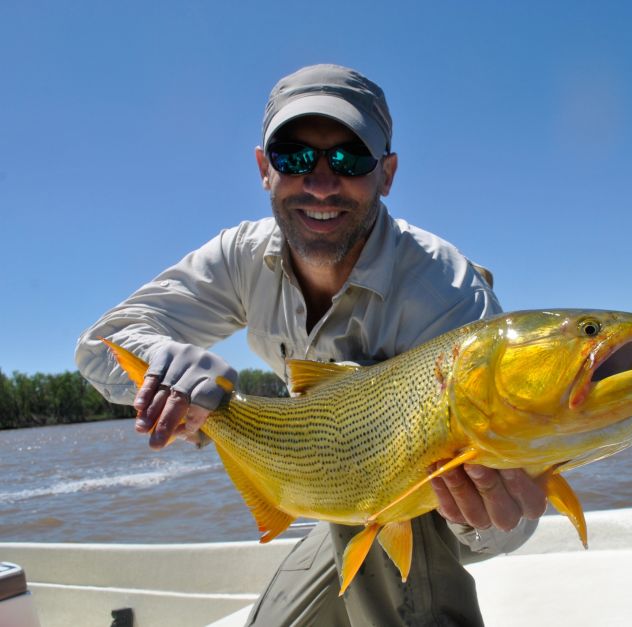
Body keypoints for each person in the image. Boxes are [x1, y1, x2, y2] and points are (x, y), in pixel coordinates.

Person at [76, 64, 547, 626]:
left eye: (349, 159)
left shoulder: (446, 291)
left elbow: (509, 524)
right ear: (263, 170)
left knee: (391, 506)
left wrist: (489, 512)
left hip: (427, 504)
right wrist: (166, 369)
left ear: (388, 174)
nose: (321, 183)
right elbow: (99, 347)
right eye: (294, 157)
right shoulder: (240, 256)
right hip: (336, 489)